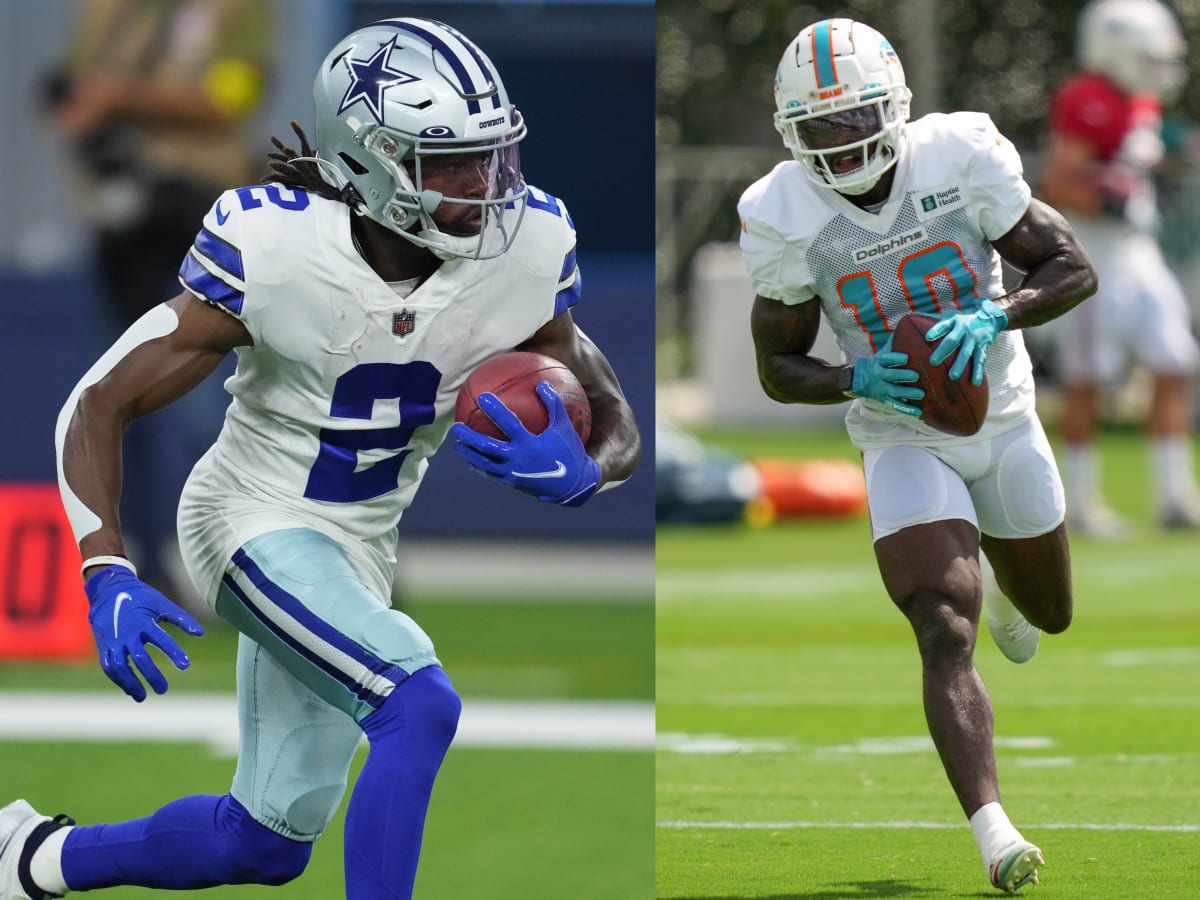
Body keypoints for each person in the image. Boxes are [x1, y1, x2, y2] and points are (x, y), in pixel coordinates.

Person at [0, 17, 640, 900]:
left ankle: (30, 861)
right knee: (418, 705)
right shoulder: (277, 250)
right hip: (250, 519)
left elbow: (612, 418)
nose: (486, 185)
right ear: (369, 163)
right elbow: (97, 401)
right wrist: (105, 567)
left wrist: (588, 470)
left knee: (260, 845)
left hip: (359, 549)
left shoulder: (527, 249)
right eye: (448, 162)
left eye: (494, 157)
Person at [738, 19, 1097, 894]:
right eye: (817, 125)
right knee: (942, 626)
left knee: (1047, 617)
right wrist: (858, 376)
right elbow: (779, 370)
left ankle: (1009, 598)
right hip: (901, 429)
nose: (839, 138)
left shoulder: (958, 156)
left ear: (895, 108)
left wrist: (996, 313)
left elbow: (1071, 266)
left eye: (853, 116)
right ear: (790, 132)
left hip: (1002, 415)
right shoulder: (780, 212)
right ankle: (996, 834)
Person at [42, 0, 276, 595]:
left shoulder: (239, 8)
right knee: (116, 400)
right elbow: (73, 91)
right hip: (120, 220)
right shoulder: (105, 9)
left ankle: (273, 559)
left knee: (217, 406)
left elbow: (230, 99)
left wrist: (120, 97)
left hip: (201, 217)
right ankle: (141, 567)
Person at [1039, 0, 1200, 536]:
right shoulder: (1088, 99)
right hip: (1095, 255)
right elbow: (1060, 184)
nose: (1159, 68)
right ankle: (1080, 505)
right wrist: (1101, 196)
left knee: (1173, 360)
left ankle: (1176, 495)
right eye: (1148, 56)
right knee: (1087, 382)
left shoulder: (1140, 101)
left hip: (1139, 249)